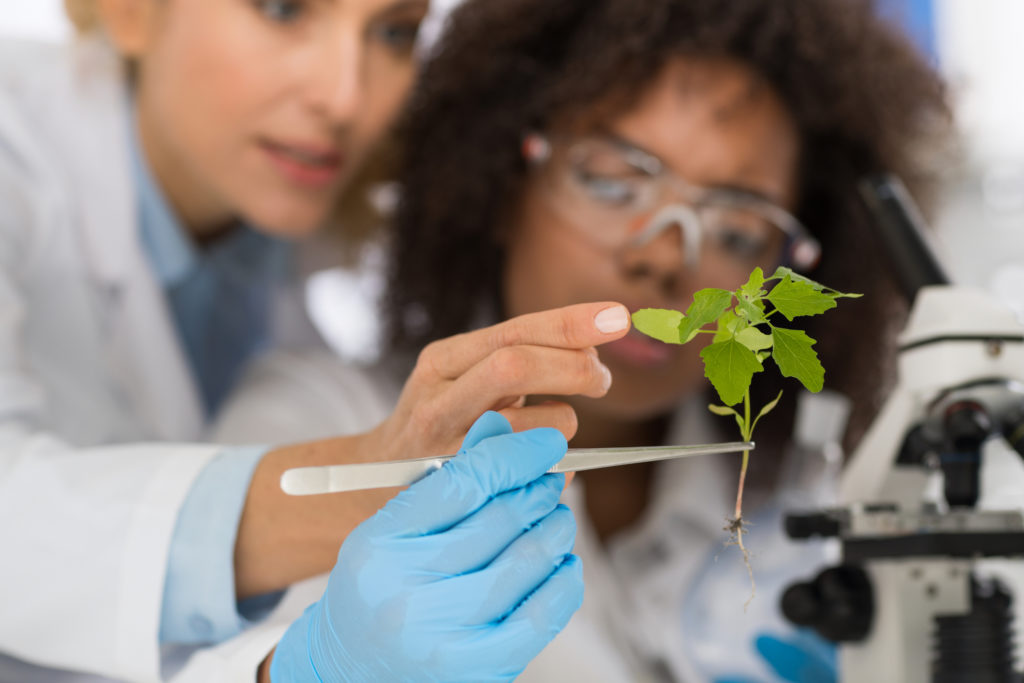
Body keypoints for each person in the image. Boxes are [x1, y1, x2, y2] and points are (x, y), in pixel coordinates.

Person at [212, 0, 951, 680]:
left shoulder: (803, 512)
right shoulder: (314, 420)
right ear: (502, 182)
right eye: (611, 181)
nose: (663, 257)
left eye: (734, 228)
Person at [0, 0, 630, 680]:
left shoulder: (284, 236)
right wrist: (371, 472)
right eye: (283, 9)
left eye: (394, 32)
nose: (344, 97)